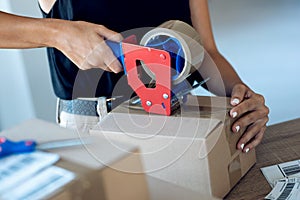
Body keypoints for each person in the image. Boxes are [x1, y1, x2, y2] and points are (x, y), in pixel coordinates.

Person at [0, 0, 269, 153]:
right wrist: (58, 33)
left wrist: (240, 97)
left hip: (179, 116)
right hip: (96, 127)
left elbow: (206, 52)